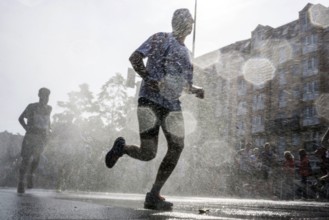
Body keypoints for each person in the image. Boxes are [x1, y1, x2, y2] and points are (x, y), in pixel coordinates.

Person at [105, 8, 204, 210]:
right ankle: (122, 149)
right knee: (148, 153)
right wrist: (148, 78)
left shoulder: (188, 54)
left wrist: (196, 90)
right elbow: (134, 58)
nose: (188, 24)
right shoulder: (160, 38)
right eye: (184, 20)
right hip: (150, 101)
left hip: (173, 106)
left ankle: (154, 194)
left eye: (190, 21)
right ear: (175, 22)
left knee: (177, 147)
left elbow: (183, 85)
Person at [17, 87, 52, 193]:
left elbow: (47, 121)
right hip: (31, 136)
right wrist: (26, 128)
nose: (45, 98)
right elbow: (21, 118)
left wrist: (49, 130)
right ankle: (21, 183)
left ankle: (30, 176)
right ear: (39, 95)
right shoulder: (32, 106)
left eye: (47, 96)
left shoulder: (49, 108)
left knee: (37, 158)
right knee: (26, 159)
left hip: (42, 138)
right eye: (43, 95)